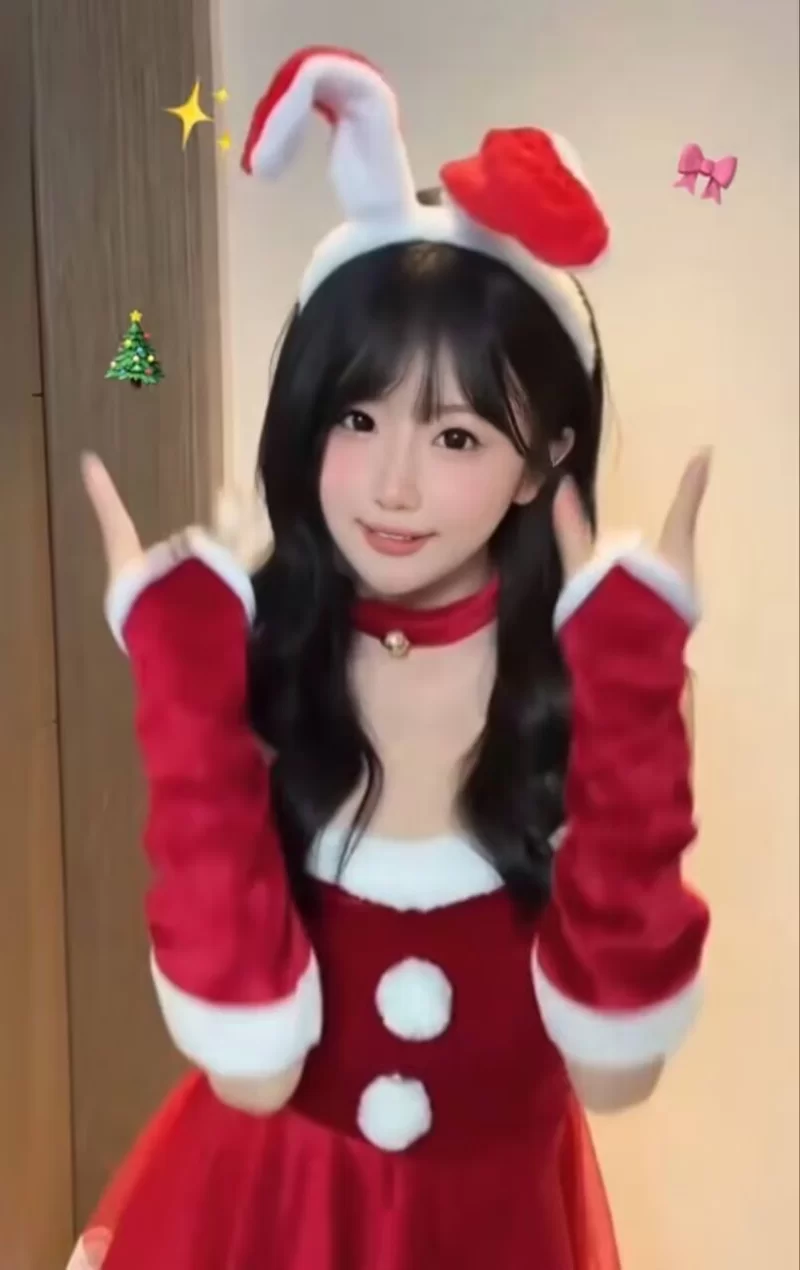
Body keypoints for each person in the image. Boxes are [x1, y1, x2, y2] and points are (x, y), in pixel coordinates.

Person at [68, 45, 711, 1270]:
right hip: (263, 1210)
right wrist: (183, 693)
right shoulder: (260, 652)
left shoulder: (598, 680)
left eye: (456, 434)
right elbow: (252, 1072)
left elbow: (614, 1070)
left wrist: (629, 689)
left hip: (495, 1220)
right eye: (355, 419)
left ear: (540, 458)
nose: (391, 485)